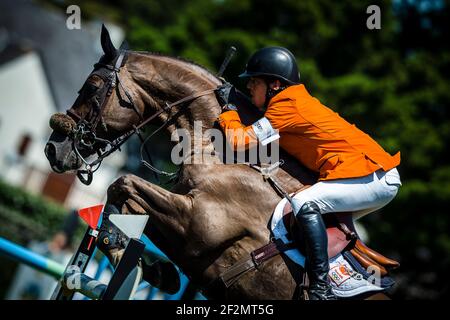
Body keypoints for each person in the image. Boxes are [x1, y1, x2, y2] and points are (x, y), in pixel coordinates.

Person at [215, 47, 402, 300]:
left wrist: (228, 110)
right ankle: (344, 276)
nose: (249, 86)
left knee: (303, 203)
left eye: (254, 81)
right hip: (369, 175)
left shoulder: (287, 105)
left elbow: (238, 142)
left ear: (275, 84)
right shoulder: (286, 103)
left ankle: (320, 288)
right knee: (317, 220)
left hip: (373, 177)